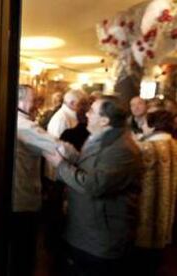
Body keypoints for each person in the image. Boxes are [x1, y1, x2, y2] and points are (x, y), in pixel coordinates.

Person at [45, 96, 142, 276]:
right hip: (85, 232)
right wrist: (71, 155)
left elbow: (94, 185)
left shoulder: (122, 149)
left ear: (105, 121)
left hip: (100, 240)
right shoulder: (101, 138)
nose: (86, 114)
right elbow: (90, 167)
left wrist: (61, 165)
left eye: (92, 111)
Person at [132, 110, 177, 276]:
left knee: (141, 262)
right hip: (166, 214)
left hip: (145, 213)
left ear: (152, 126)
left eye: (144, 123)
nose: (142, 127)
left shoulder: (146, 148)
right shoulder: (174, 144)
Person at [8, 84, 45, 276]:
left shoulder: (21, 121)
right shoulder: (25, 125)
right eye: (34, 98)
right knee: (23, 253)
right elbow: (57, 148)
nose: (37, 102)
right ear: (20, 100)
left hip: (21, 195)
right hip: (23, 197)